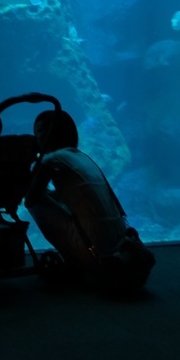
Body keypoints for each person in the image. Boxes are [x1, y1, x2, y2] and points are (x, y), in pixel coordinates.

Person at [25, 109, 155, 293]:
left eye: (38, 134)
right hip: (122, 250)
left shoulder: (52, 160)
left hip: (100, 257)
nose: (35, 140)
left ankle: (74, 263)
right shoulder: (81, 157)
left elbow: (32, 197)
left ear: (48, 136)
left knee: (34, 203)